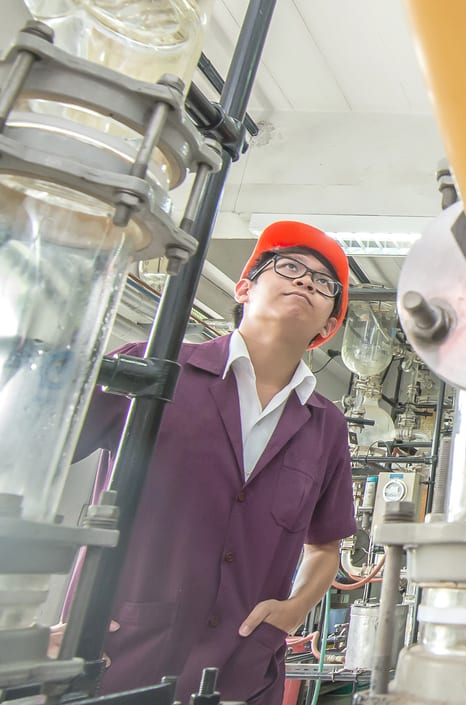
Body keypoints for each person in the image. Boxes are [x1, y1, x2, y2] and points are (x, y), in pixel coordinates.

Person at [70, 221, 357, 705]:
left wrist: (295, 609)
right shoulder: (153, 368)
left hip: (242, 671)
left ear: (327, 328)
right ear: (244, 287)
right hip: (120, 656)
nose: (307, 281)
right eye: (289, 267)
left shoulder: (326, 426)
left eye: (324, 284)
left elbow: (325, 546)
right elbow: (35, 453)